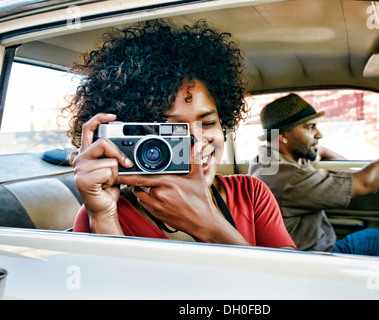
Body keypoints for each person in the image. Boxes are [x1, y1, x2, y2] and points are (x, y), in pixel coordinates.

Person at [66, 19, 296, 249]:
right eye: (173, 130)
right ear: (134, 138)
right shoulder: (102, 208)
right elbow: (108, 284)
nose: (197, 142)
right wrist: (103, 217)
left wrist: (208, 226)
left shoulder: (251, 195)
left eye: (208, 122)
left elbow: (290, 283)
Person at [249, 93, 379, 257]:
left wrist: (342, 165)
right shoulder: (290, 178)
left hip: (303, 254)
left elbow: (319, 150)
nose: (319, 133)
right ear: (283, 136)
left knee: (374, 237)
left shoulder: (267, 160)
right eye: (310, 127)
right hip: (316, 258)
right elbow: (368, 183)